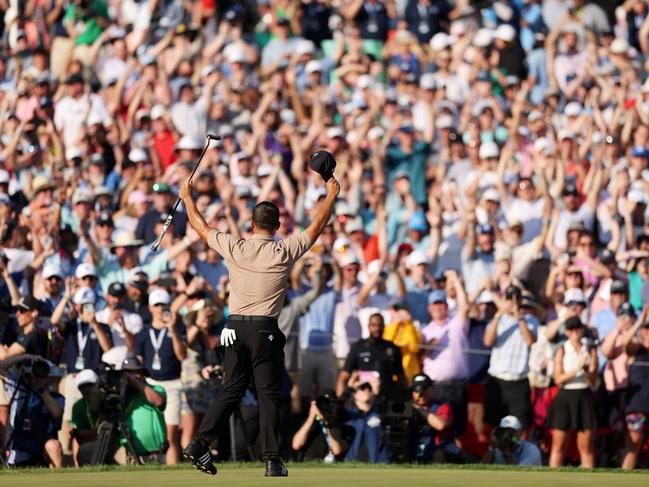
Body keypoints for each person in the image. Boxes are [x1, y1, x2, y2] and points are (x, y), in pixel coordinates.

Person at [179, 171, 341, 476]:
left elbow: (201, 227)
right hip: (264, 330)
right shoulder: (282, 250)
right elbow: (316, 227)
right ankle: (271, 460)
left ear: (251, 225)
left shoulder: (235, 247)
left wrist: (187, 197)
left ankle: (200, 442)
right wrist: (330, 196)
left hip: (233, 329)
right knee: (268, 395)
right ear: (277, 226)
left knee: (231, 389)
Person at [75, 358, 167, 466]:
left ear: (141, 375)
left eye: (132, 373)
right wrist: (99, 386)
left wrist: (134, 382)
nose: (128, 378)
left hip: (152, 454)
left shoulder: (155, 389)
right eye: (126, 374)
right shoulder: (120, 395)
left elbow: (159, 401)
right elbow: (95, 409)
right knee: (85, 451)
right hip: (125, 452)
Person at [135, 288, 186, 465]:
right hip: (150, 384)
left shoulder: (177, 327)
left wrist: (172, 329)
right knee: (150, 434)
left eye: (163, 305)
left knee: (170, 435)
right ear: (150, 308)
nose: (160, 308)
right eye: (156, 305)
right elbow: (139, 361)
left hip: (172, 384)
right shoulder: (144, 332)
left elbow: (182, 355)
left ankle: (172, 476)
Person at [547, 317, 598, 468]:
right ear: (567, 332)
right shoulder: (562, 349)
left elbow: (592, 380)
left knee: (586, 447)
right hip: (566, 396)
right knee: (558, 445)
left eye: (578, 328)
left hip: (584, 396)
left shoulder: (589, 349)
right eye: (571, 329)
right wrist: (578, 368)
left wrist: (589, 367)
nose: (575, 332)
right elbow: (558, 379)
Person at [0, 354, 64, 467]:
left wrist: (42, 389)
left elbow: (57, 413)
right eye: (36, 372)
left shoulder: (55, 397)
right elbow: (1, 366)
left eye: (42, 373)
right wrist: (25, 357)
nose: (38, 376)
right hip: (19, 444)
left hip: (42, 443)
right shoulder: (18, 388)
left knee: (54, 446)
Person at [336, 313, 404, 397]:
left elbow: (401, 378)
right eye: (374, 325)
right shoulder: (358, 347)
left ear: (384, 326)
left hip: (387, 396)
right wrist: (339, 402)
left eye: (380, 325)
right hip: (364, 396)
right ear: (368, 326)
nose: (377, 329)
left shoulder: (393, 349)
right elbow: (343, 377)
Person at [620, 311, 649, 470]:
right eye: (646, 328)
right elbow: (625, 342)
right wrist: (639, 322)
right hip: (637, 406)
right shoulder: (636, 350)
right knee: (633, 443)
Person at [409, 372, 458, 464]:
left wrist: (420, 409)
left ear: (432, 389)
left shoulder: (442, 406)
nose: (420, 393)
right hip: (415, 446)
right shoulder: (407, 408)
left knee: (439, 453)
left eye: (424, 389)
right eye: (416, 390)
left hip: (437, 448)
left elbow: (440, 425)